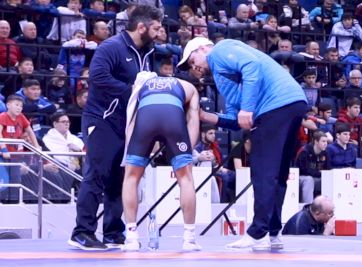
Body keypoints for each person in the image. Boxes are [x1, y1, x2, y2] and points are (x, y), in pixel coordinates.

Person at [177, 37, 307, 250]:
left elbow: (251, 66)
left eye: (192, 60)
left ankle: (257, 233)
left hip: (274, 106)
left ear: (203, 48)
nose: (195, 68)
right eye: (191, 67)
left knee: (263, 173)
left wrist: (247, 108)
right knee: (278, 173)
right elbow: (236, 121)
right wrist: (206, 117)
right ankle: (272, 232)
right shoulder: (223, 78)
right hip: (293, 102)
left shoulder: (220, 50)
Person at [68, 5, 163, 251]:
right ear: (141, 27)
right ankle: (81, 232)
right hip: (102, 119)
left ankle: (113, 232)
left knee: (120, 179)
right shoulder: (111, 47)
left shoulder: (147, 51)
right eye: (156, 27)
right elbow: (97, 78)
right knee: (96, 175)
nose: (159, 32)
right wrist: (132, 90)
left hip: (127, 123)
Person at [121, 72, 201, 251]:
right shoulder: (189, 87)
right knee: (186, 178)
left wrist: (131, 148)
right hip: (173, 118)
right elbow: (193, 118)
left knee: (131, 177)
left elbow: (131, 117)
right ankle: (189, 238)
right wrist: (188, 150)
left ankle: (131, 237)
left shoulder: (142, 85)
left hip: (144, 119)